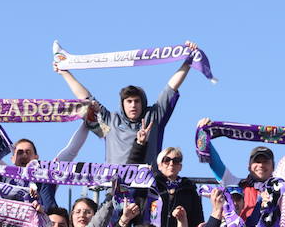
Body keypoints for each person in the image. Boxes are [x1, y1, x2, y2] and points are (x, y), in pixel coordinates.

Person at [56, 42, 200, 165]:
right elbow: (86, 98)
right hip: (117, 189)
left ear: (143, 103)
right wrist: (65, 73)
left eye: (137, 101)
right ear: (122, 104)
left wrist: (188, 61)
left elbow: (171, 87)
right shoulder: (111, 120)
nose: (133, 105)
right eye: (129, 101)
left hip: (147, 190)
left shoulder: (154, 116)